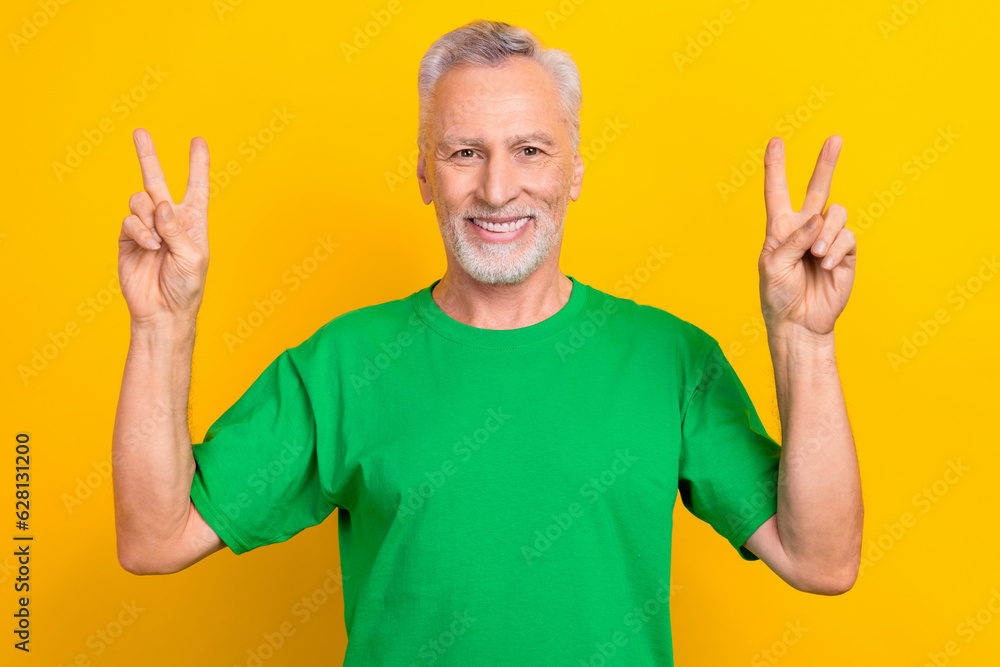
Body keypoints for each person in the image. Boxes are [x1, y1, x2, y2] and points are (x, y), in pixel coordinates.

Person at [113, 19, 862, 666]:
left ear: (574, 169)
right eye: (464, 152)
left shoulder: (670, 359)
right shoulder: (343, 363)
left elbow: (822, 558)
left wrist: (804, 342)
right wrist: (161, 327)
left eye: (531, 150)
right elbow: (155, 536)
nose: (498, 188)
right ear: (423, 173)